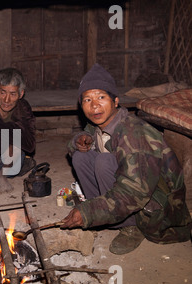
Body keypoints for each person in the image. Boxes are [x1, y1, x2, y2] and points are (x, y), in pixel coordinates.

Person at [61, 63, 192, 255]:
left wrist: (90, 212)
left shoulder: (133, 133)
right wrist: (78, 141)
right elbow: (79, 142)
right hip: (132, 192)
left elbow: (134, 191)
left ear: (115, 101)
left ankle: (131, 226)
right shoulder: (98, 124)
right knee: (81, 156)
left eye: (101, 97)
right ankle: (102, 208)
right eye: (87, 99)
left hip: (157, 206)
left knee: (103, 162)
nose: (94, 104)